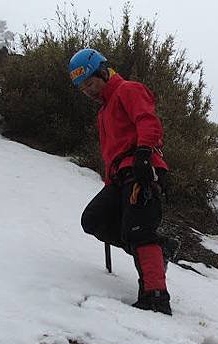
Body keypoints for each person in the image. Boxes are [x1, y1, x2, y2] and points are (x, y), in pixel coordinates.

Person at [69, 48, 178, 316]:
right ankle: (158, 248)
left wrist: (143, 155)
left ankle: (156, 297)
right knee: (93, 220)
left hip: (141, 169)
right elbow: (111, 153)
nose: (89, 91)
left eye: (91, 83)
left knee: (139, 230)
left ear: (103, 72)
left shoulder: (129, 90)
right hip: (119, 178)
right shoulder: (104, 111)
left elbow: (148, 121)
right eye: (83, 89)